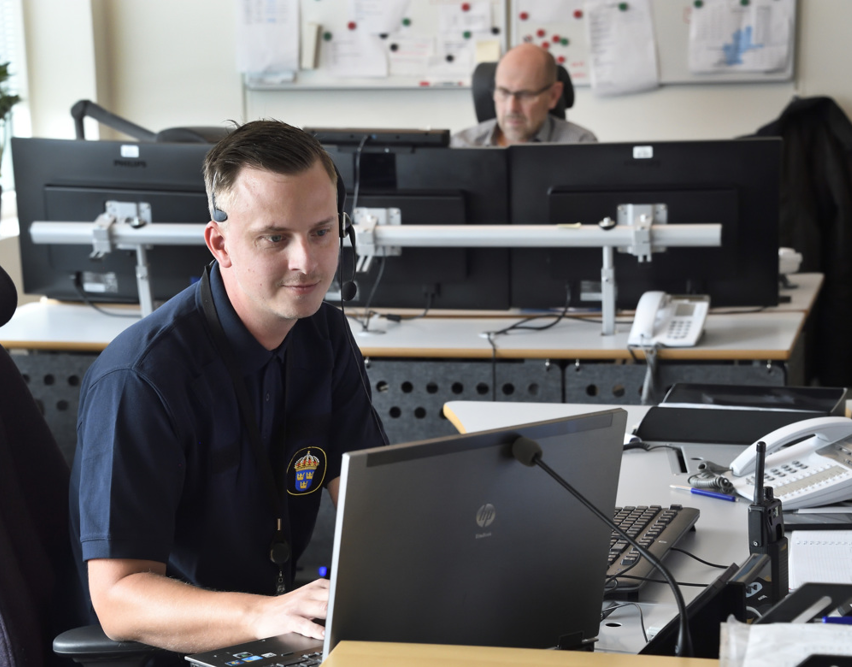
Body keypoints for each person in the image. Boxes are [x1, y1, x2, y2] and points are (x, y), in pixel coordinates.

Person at [69, 120, 388, 655]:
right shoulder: (142, 379)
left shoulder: (323, 332)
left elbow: (371, 500)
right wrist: (266, 613)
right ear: (221, 244)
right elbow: (118, 599)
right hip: (176, 650)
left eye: (321, 231)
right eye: (274, 238)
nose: (307, 263)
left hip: (279, 629)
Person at [451, 43, 597, 147]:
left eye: (525, 95)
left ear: (553, 95)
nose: (511, 108)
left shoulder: (580, 145)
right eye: (503, 92)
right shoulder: (460, 146)